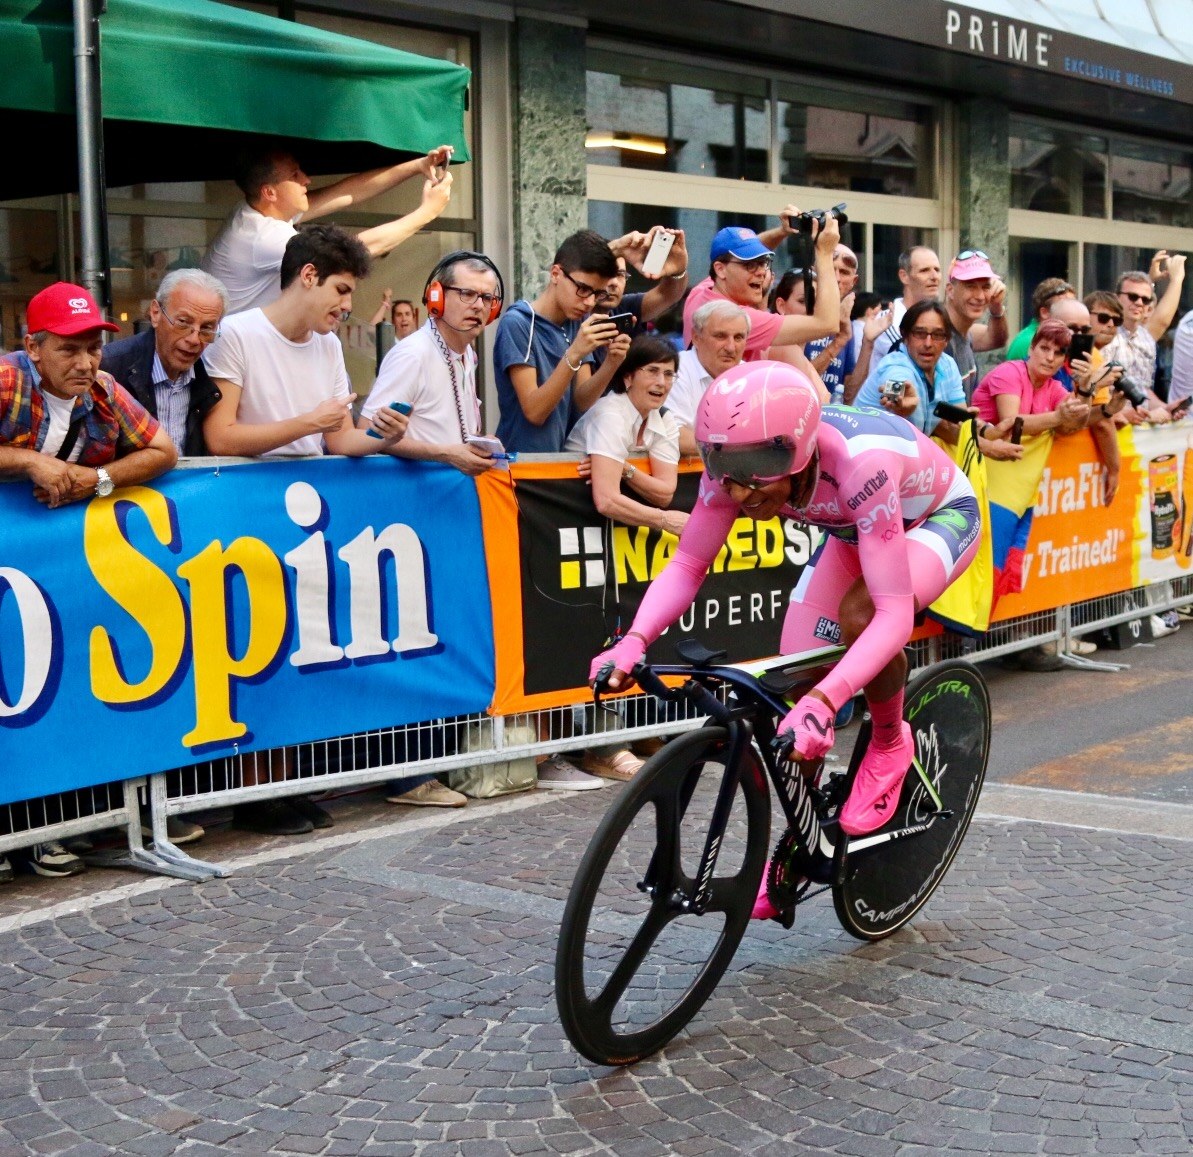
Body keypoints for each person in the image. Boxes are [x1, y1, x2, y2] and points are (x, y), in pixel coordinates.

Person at [590, 361, 981, 923]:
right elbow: (689, 564)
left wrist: (829, 702)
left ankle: (893, 743)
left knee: (862, 614)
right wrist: (634, 639)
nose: (740, 491)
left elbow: (894, 615)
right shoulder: (737, 468)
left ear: (797, 453)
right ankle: (801, 849)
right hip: (856, 531)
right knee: (792, 689)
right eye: (728, 470)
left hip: (935, 517)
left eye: (756, 475)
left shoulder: (858, 463)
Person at [202, 225, 407, 835]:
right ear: (309, 275)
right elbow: (220, 437)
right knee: (252, 654)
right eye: (342, 290)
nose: (348, 306)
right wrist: (308, 422)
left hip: (310, 522)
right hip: (244, 520)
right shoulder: (236, 334)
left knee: (303, 650)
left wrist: (380, 438)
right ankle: (253, 791)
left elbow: (334, 437)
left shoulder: (325, 347)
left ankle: (288, 781)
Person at [0, 282, 179, 879]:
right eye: (68, 350)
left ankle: (41, 831)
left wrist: (95, 482)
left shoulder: (102, 391)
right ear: (33, 346)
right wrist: (28, 461)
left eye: (93, 349)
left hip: (39, 578)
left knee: (46, 692)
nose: (85, 363)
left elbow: (162, 450)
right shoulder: (5, 380)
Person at [562, 335, 688, 785]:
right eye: (652, 371)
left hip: (622, 547)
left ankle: (632, 734)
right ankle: (600, 747)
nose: (661, 382)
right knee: (589, 635)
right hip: (571, 537)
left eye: (669, 373)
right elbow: (606, 499)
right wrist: (661, 519)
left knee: (633, 630)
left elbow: (667, 489)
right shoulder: (610, 414)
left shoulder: (663, 420)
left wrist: (627, 468)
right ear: (629, 375)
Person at [202, 144, 454, 314]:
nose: (306, 179)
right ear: (269, 192)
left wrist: (417, 165)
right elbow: (352, 252)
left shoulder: (257, 209)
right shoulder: (262, 237)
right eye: (295, 175)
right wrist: (426, 213)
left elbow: (347, 192)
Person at [972, 320, 1094, 669]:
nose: (1050, 357)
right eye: (1045, 348)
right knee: (984, 571)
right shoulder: (1009, 372)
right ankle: (955, 652)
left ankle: (973, 649)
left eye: (1059, 353)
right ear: (1031, 347)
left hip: (1019, 494)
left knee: (1003, 570)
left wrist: (1085, 391)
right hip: (986, 487)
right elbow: (1012, 424)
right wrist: (1061, 415)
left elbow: (1071, 424)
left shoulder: (1056, 388)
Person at [361, 251, 504, 477]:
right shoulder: (413, 355)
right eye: (467, 294)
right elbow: (367, 433)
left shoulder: (468, 354)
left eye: (487, 298)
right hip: (415, 504)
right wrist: (446, 454)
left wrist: (478, 444)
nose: (478, 306)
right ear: (437, 297)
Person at [493, 230, 629, 453]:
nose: (589, 302)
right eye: (583, 289)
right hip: (520, 464)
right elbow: (535, 412)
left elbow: (581, 400)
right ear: (556, 273)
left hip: (559, 461)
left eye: (597, 294)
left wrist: (612, 363)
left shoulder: (575, 322)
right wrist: (574, 353)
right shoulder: (518, 322)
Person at [100, 269, 228, 456]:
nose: (194, 339)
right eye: (183, 323)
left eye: (207, 329)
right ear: (155, 313)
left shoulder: (209, 381)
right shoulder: (109, 369)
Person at [681, 213, 840, 358]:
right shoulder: (739, 319)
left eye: (763, 263)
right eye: (750, 265)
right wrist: (825, 252)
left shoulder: (702, 292)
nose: (761, 272)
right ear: (720, 270)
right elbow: (827, 324)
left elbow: (737, 254)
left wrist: (783, 231)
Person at [853, 301, 967, 437]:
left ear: (947, 339)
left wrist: (971, 425)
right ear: (905, 336)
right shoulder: (895, 366)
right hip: (865, 451)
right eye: (919, 333)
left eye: (937, 335)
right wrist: (898, 402)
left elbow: (960, 421)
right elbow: (894, 388)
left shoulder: (948, 365)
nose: (928, 343)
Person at [1101, 254, 1186, 411]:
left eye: (1145, 300)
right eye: (1133, 297)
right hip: (1110, 423)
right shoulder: (1103, 335)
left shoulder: (1145, 338)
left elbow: (1143, 390)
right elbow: (1099, 395)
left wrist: (1165, 408)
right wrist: (1176, 279)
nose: (1139, 303)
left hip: (1140, 427)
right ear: (1116, 298)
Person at [670, 300, 752, 455]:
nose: (730, 347)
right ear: (696, 337)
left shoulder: (750, 376)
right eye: (720, 336)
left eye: (739, 337)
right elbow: (674, 436)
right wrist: (735, 447)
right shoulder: (675, 369)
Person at [942, 249, 1008, 401]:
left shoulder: (965, 332)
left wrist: (996, 307)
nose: (979, 296)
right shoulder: (939, 337)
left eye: (985, 287)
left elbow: (996, 339)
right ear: (950, 291)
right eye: (970, 286)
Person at [871, 246, 941, 363]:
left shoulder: (939, 317)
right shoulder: (887, 322)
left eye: (937, 270)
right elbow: (916, 364)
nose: (934, 277)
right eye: (924, 270)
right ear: (904, 276)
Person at [1006, 278, 1075, 361]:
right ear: (1044, 313)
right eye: (1065, 308)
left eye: (1075, 306)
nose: (1073, 312)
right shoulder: (1032, 341)